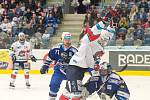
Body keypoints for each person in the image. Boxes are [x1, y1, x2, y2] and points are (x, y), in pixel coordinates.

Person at [59, 22, 115, 100]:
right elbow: (94, 31)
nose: (105, 41)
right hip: (75, 68)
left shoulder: (101, 46)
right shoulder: (88, 41)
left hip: (82, 69)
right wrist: (103, 22)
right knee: (77, 95)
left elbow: (109, 34)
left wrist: (113, 25)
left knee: (67, 92)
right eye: (103, 39)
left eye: (106, 40)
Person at [40, 32, 78, 100]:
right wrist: (45, 66)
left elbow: (79, 62)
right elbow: (50, 58)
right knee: (53, 85)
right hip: (59, 71)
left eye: (69, 39)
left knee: (74, 90)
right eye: (66, 39)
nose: (67, 41)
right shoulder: (56, 48)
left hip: (71, 73)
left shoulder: (75, 51)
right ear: (62, 39)